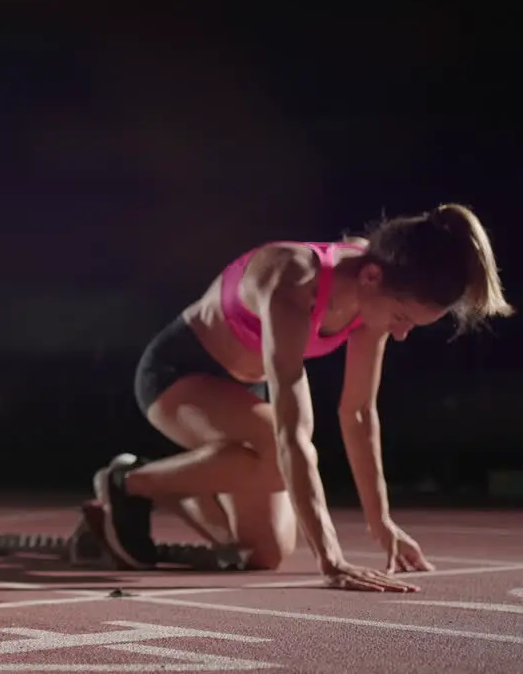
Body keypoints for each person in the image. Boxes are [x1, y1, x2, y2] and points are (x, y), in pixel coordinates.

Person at [98, 203, 513, 591]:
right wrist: (331, 561)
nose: (401, 334)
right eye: (401, 318)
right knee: (281, 454)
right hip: (178, 374)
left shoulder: (379, 288)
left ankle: (155, 483)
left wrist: (381, 522)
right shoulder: (292, 281)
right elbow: (292, 436)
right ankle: (127, 484)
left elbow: (359, 413)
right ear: (370, 278)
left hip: (246, 390)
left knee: (265, 553)